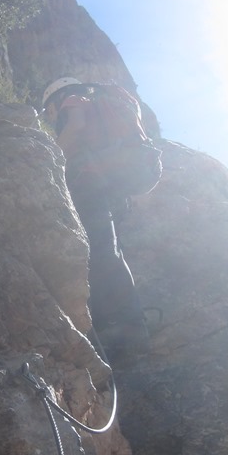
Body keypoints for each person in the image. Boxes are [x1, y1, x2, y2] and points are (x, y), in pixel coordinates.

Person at [40, 77, 161, 359]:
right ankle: (130, 327)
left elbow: (76, 129)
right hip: (110, 183)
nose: (49, 116)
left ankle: (124, 330)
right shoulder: (105, 106)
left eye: (49, 110)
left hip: (92, 185)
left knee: (101, 251)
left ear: (57, 99)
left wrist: (49, 157)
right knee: (109, 250)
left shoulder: (73, 102)